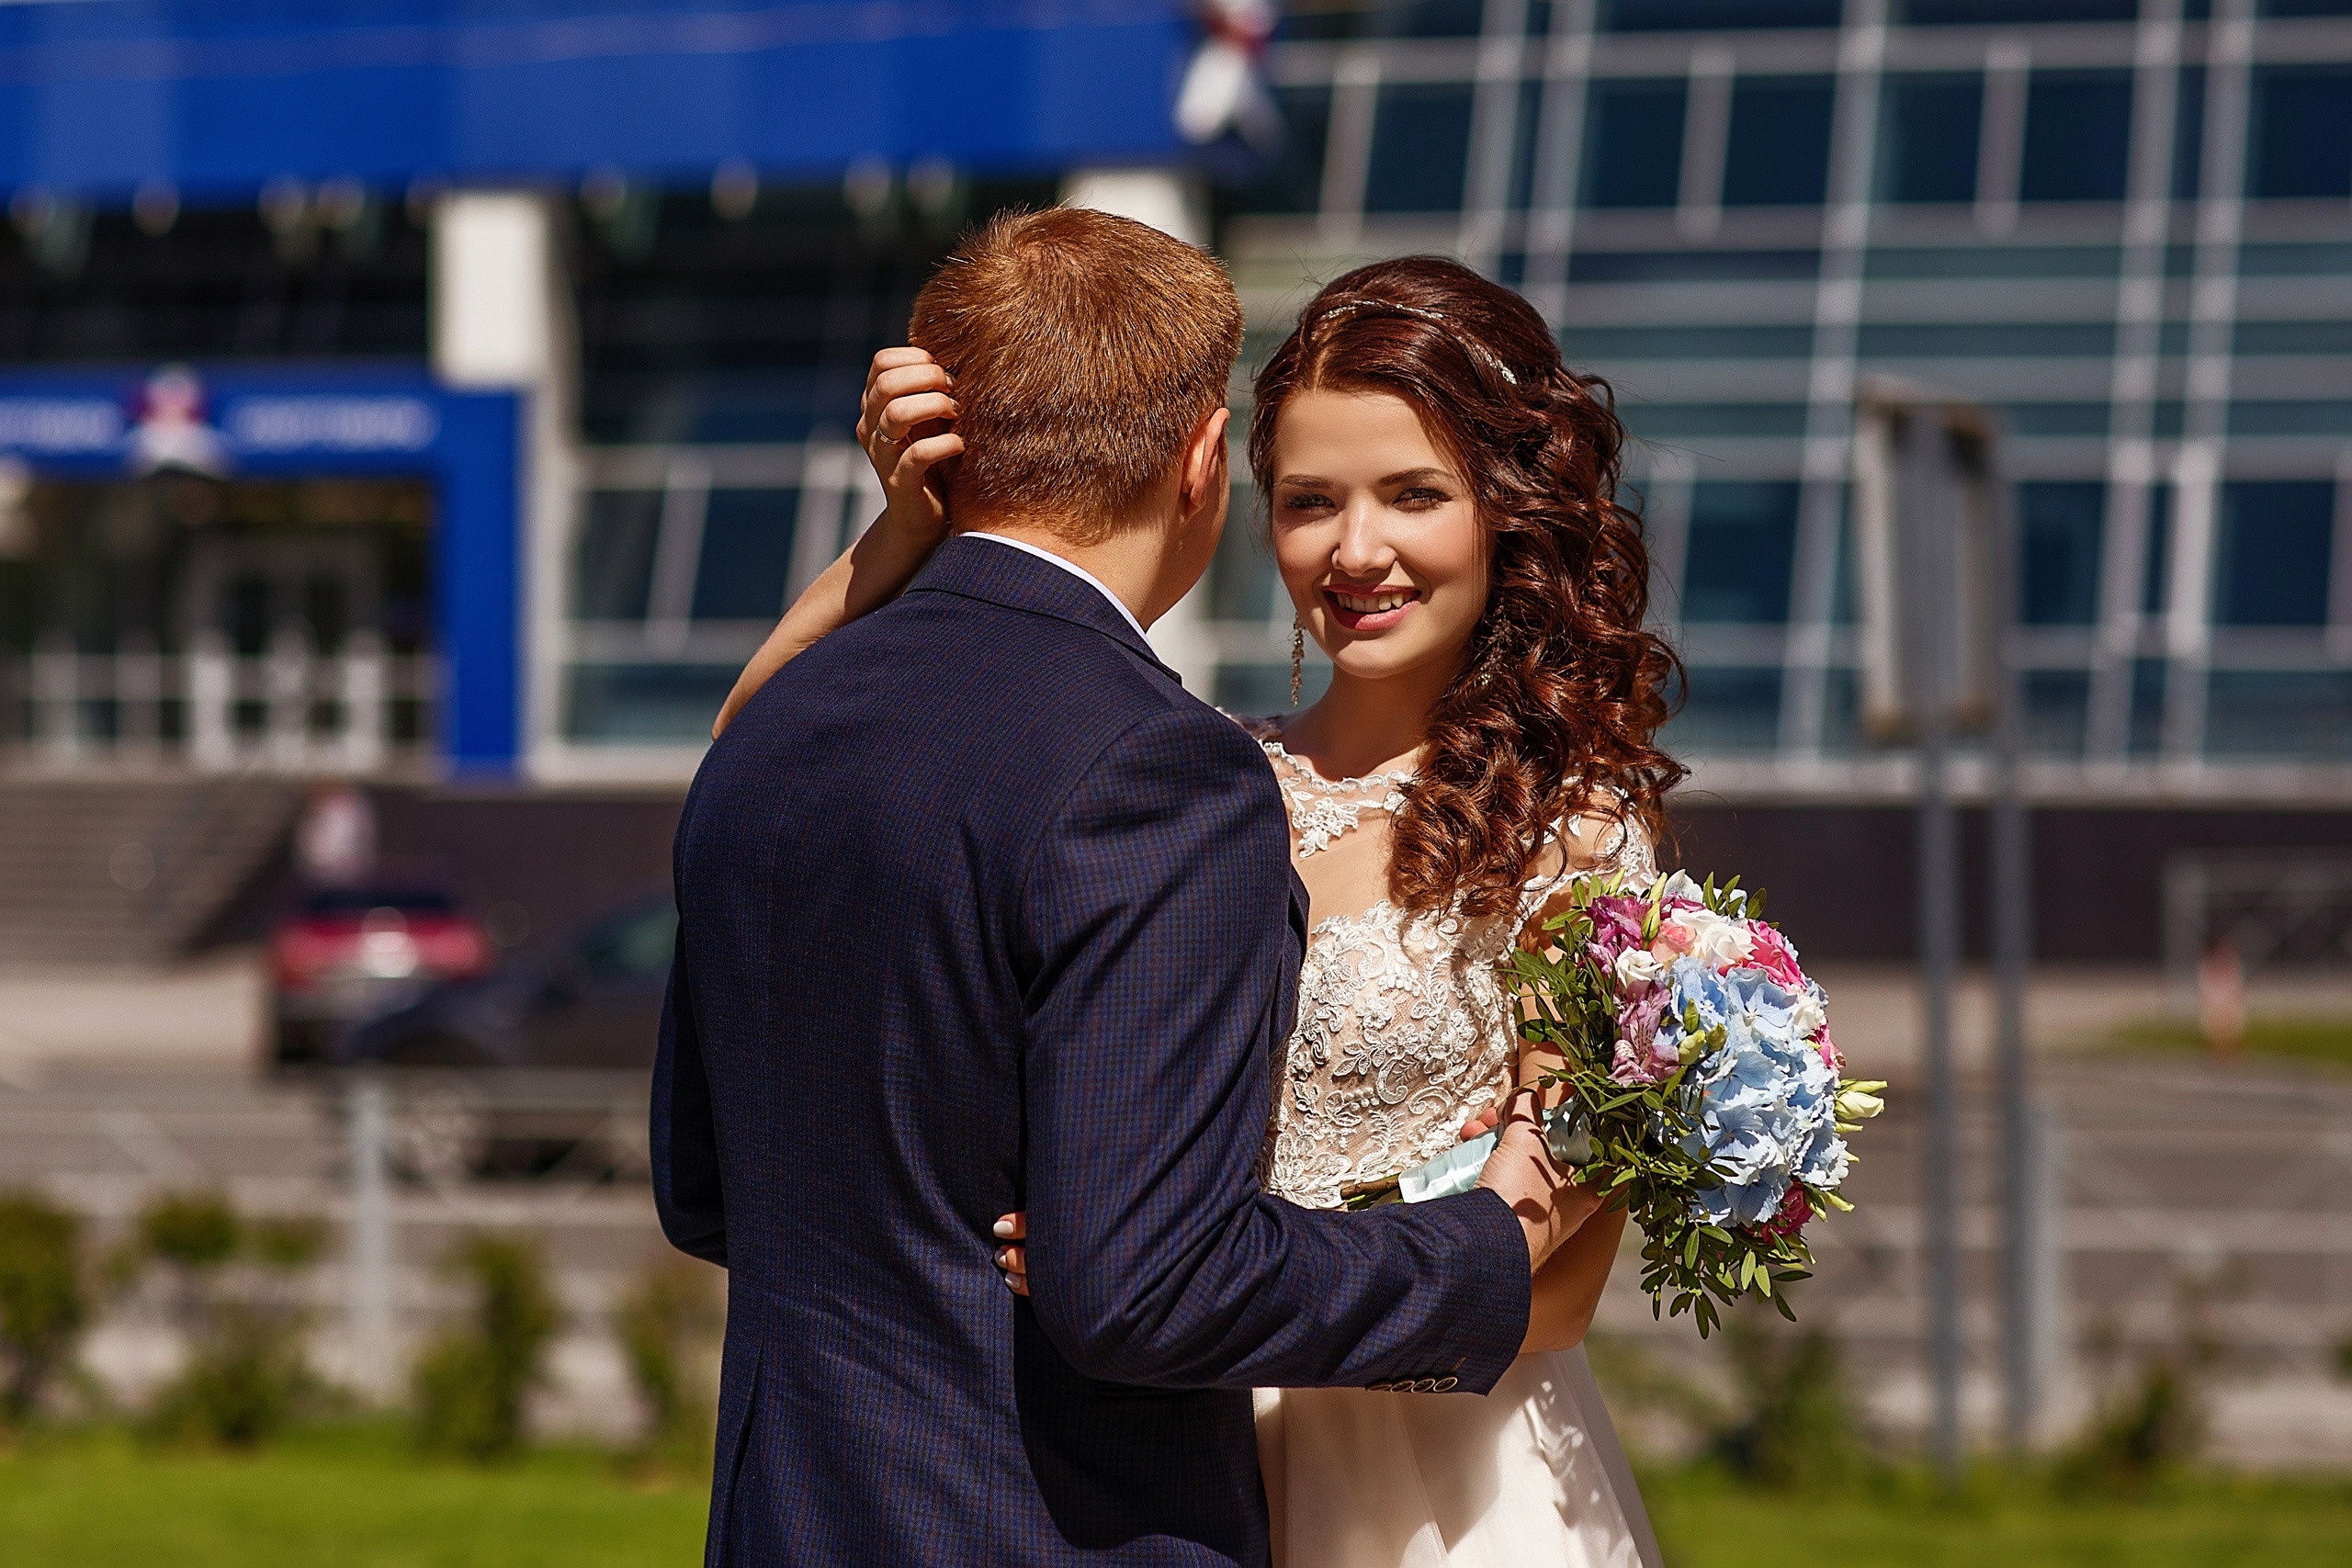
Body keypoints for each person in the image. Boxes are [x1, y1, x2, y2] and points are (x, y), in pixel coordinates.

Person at [655, 209, 1596, 1568]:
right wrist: (1484, 1245)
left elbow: (708, 1189)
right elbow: (1145, 1291)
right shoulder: (1161, 774)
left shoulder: (774, 733)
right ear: (1209, 462)